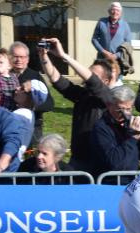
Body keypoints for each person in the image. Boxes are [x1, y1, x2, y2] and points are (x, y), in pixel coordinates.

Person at [39, 37, 112, 175]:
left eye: (91, 74)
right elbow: (57, 80)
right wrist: (43, 55)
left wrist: (64, 56)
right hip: (78, 159)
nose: (86, 77)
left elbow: (93, 81)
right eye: (87, 72)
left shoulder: (108, 98)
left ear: (106, 81)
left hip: (99, 160)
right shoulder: (82, 95)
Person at [88, 84, 140, 177]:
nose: (125, 113)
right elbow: (115, 162)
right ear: (109, 105)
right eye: (120, 109)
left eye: (128, 109)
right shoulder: (100, 128)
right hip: (111, 182)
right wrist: (132, 138)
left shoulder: (130, 124)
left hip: (133, 179)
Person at [9, 41, 54, 145]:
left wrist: (29, 105)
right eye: (15, 56)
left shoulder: (35, 77)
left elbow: (49, 104)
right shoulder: (4, 76)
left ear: (27, 59)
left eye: (22, 57)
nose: (18, 60)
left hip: (31, 126)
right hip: (8, 124)